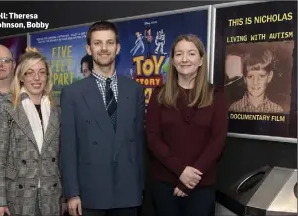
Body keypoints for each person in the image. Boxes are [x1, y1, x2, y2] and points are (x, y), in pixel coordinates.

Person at [60, 20, 145, 216]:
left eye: (109, 42)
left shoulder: (134, 90)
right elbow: (68, 148)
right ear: (89, 49)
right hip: (90, 192)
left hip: (127, 190)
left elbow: (139, 143)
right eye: (97, 43)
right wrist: (72, 193)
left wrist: (140, 186)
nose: (104, 48)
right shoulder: (72, 93)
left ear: (118, 48)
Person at [146, 34, 227, 216]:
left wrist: (190, 178)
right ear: (173, 61)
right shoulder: (158, 95)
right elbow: (153, 138)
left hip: (201, 185)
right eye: (179, 54)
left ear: (200, 60)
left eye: (191, 53)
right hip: (165, 184)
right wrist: (180, 171)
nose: (184, 59)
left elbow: (218, 141)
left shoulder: (216, 95)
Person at [0, 47, 64, 216]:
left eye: (41, 72)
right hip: (18, 194)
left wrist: (65, 197)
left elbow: (61, 157)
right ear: (21, 77)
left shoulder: (56, 108)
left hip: (50, 194)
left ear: (47, 76)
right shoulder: (7, 107)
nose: (36, 78)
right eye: (30, 72)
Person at [229, 48, 284, 113]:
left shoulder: (277, 110)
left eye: (261, 76)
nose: (255, 82)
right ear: (244, 78)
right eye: (250, 76)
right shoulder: (234, 108)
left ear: (269, 76)